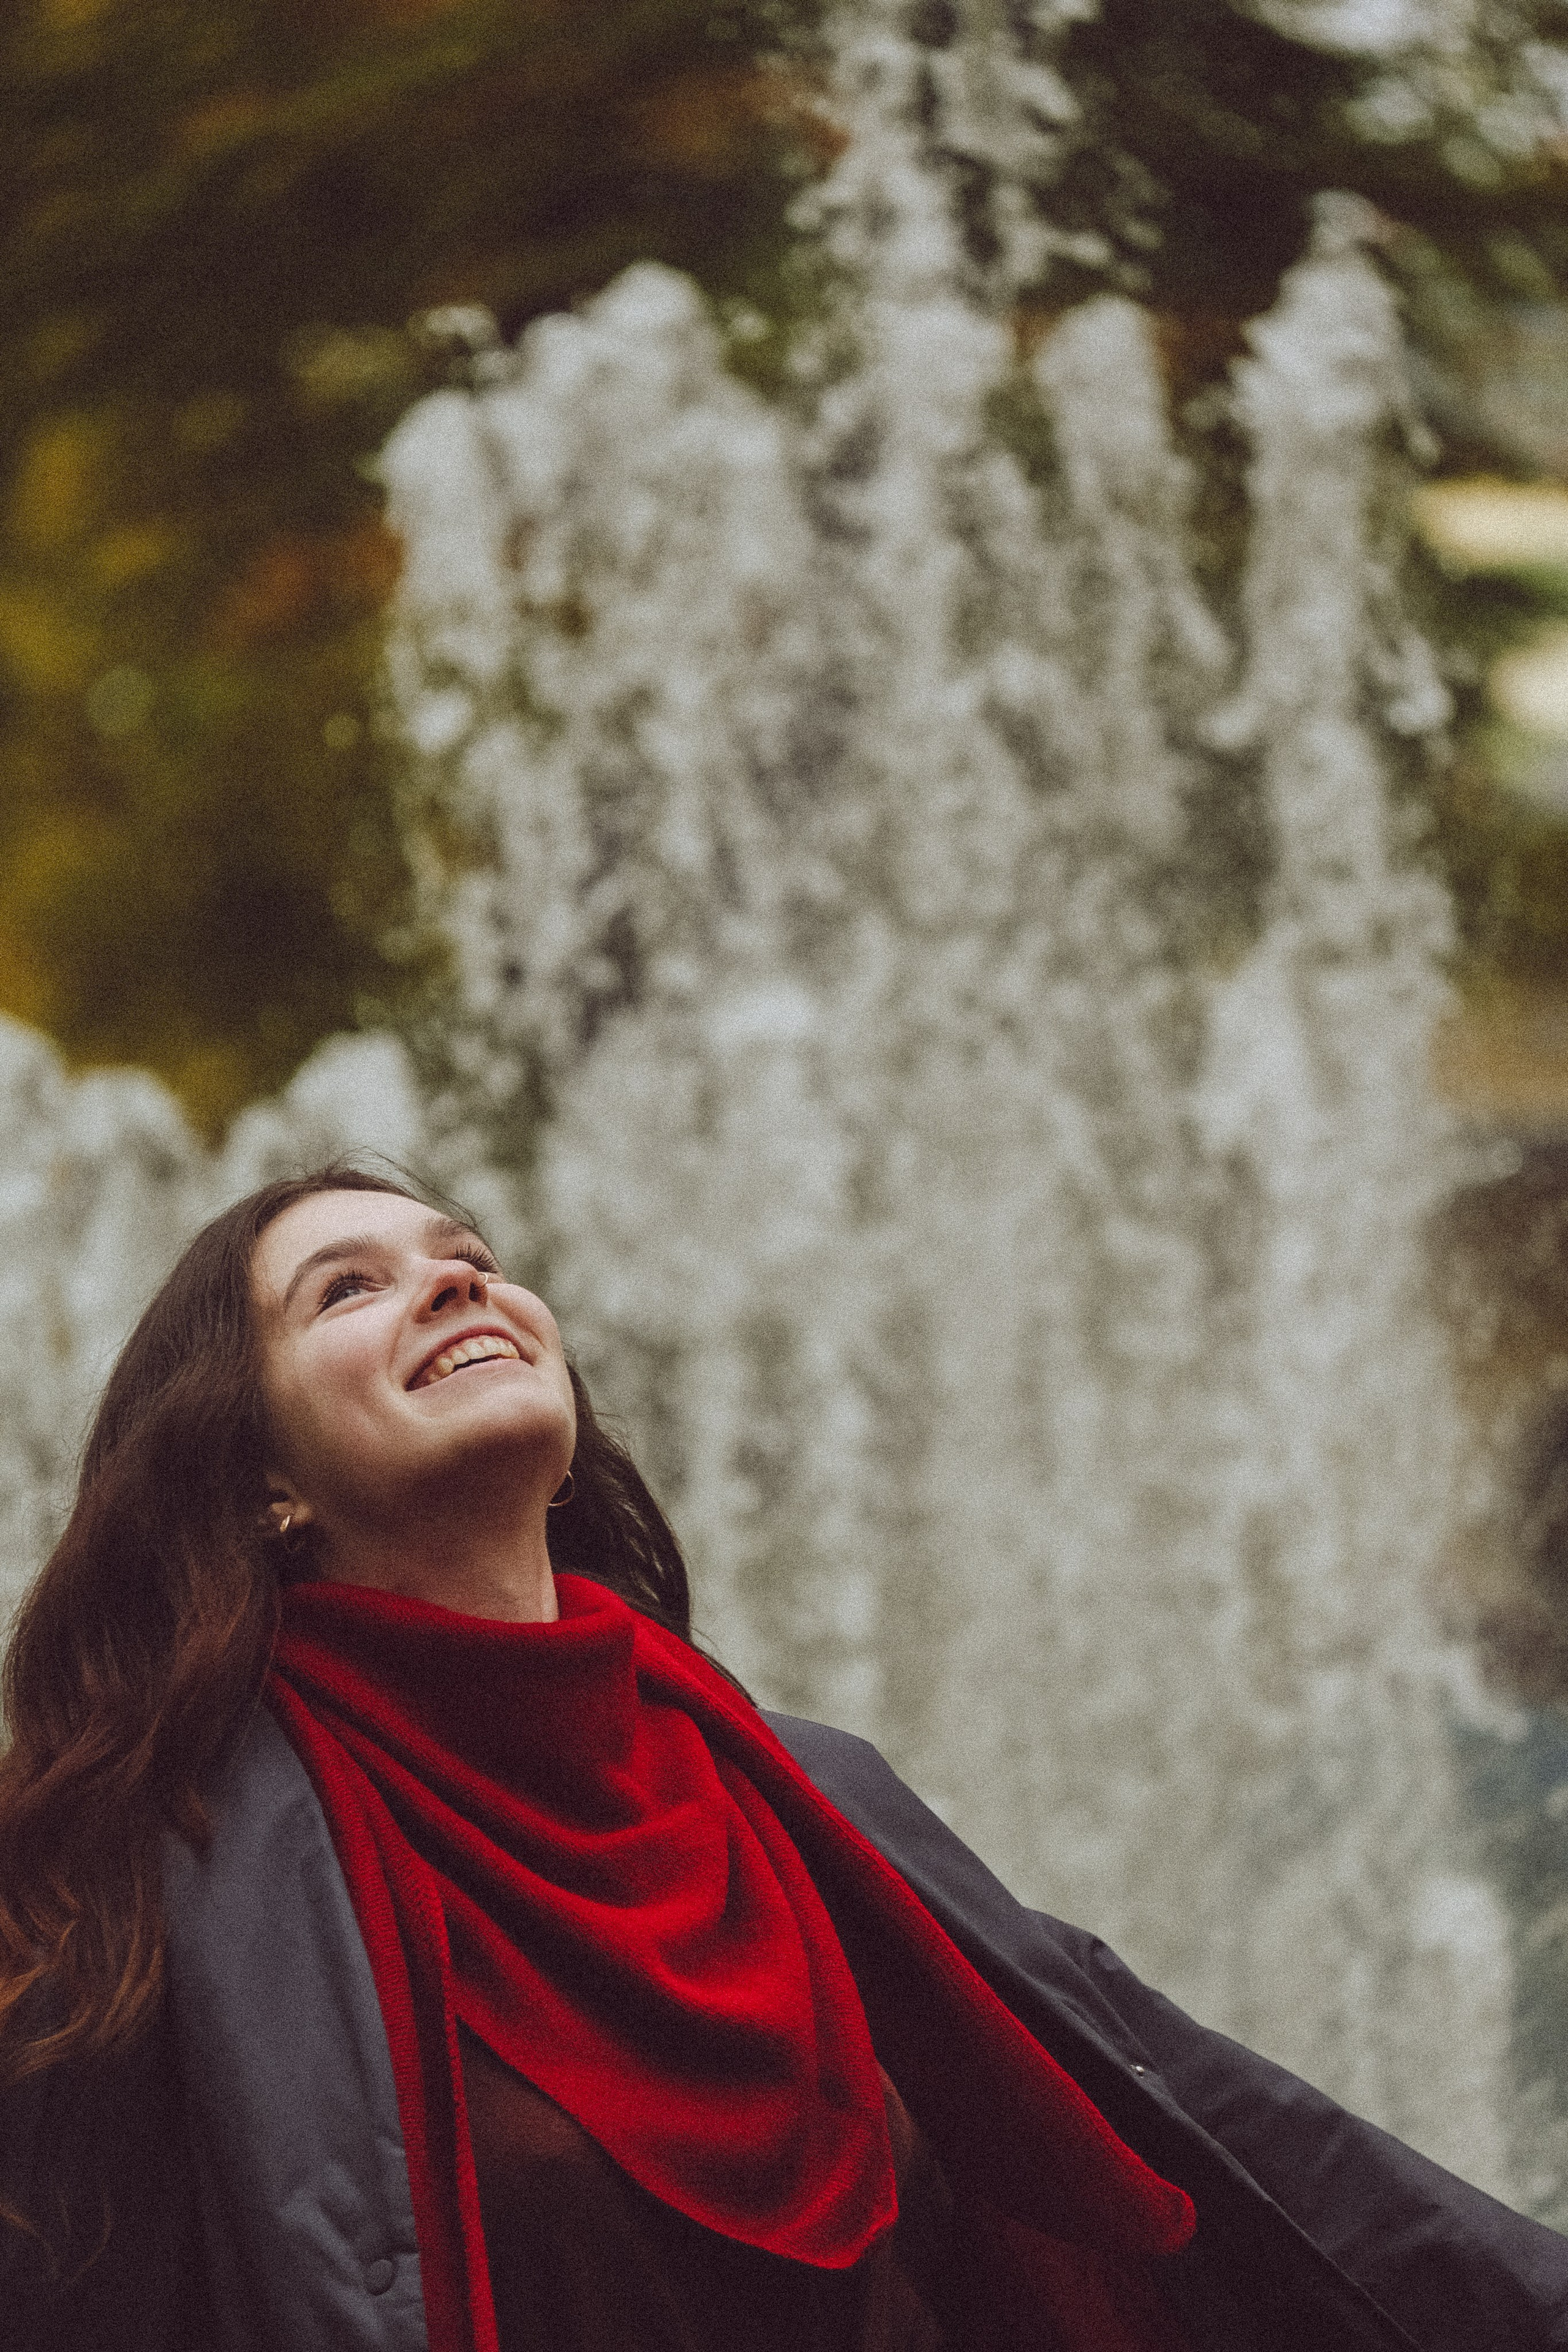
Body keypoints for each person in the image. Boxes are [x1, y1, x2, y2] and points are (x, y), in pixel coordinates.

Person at [1, 1166, 1564, 2352]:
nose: (451, 1288)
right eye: (346, 1290)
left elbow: (1236, 2146)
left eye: (469, 1261)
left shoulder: (807, 1796)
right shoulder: (140, 1881)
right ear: (260, 1477)